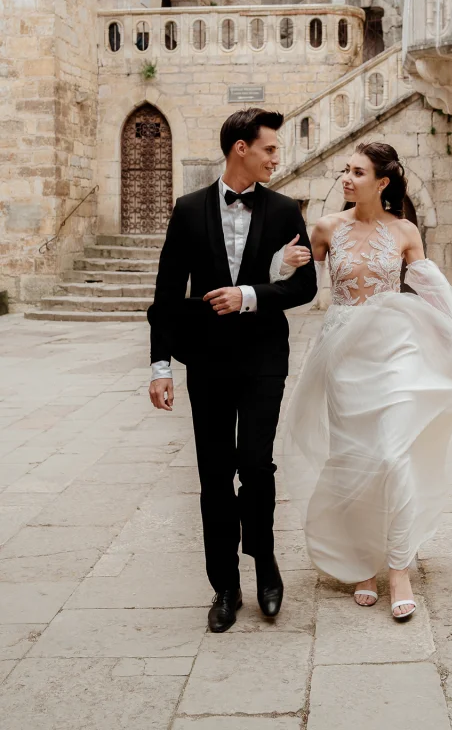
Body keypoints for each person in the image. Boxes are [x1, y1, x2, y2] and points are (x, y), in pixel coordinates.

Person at [283, 142, 452, 620]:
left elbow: (436, 292)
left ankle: (398, 567)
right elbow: (294, 279)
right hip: (343, 354)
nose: (347, 179)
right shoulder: (328, 227)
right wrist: (285, 263)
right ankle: (360, 566)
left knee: (393, 457)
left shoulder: (406, 232)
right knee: (353, 459)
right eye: (346, 170)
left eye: (358, 171)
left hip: (394, 352)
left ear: (382, 181)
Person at [147, 108, 317, 633]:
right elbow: (166, 295)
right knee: (215, 474)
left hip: (265, 358)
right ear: (240, 147)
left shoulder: (287, 210)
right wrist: (160, 366)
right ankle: (224, 585)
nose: (276, 157)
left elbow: (304, 287)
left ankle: (264, 561)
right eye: (269, 148)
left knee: (257, 464)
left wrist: (249, 295)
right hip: (209, 361)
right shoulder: (188, 209)